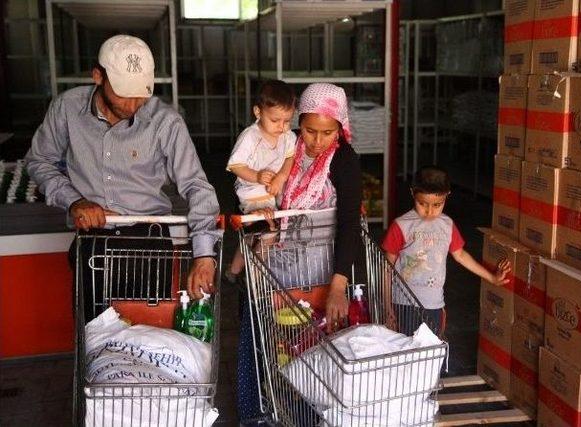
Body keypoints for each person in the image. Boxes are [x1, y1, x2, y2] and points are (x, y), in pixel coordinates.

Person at [25, 35, 222, 320]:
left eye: (140, 94)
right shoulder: (66, 109)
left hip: (149, 244)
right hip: (94, 242)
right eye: (122, 93)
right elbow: (39, 160)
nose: (132, 105)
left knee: (144, 340)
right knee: (94, 337)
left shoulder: (165, 122)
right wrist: (74, 202)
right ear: (98, 77)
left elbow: (196, 185)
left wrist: (204, 255)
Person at [236, 83, 362, 425]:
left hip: (317, 275)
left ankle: (305, 417)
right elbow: (249, 182)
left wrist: (339, 285)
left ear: (340, 127)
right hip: (273, 266)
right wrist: (258, 206)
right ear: (298, 122)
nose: (317, 141)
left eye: (327, 132)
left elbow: (350, 223)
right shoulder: (282, 145)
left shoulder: (344, 160)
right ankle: (256, 414)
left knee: (309, 352)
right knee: (260, 341)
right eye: (309, 130)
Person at [381, 166, 511, 337]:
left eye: (437, 205)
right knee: (406, 355)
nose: (429, 212)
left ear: (447, 196)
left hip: (434, 304)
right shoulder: (401, 225)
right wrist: (387, 305)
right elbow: (386, 267)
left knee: (432, 355)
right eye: (422, 204)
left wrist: (492, 278)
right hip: (403, 304)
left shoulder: (447, 225)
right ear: (413, 193)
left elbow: (461, 255)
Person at [225, 79, 297, 284]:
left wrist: (282, 176)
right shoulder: (250, 137)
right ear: (258, 112)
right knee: (269, 233)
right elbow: (236, 166)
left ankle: (233, 271)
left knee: (250, 238)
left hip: (271, 197)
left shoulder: (288, 136)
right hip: (251, 197)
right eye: (275, 121)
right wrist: (256, 176)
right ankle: (254, 277)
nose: (282, 127)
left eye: (287, 121)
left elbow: (290, 157)